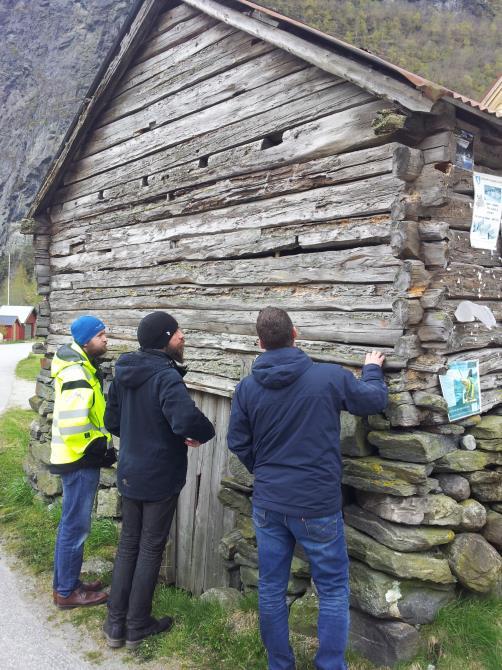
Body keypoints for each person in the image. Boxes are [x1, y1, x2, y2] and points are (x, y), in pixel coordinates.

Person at [227, 307, 388, 670]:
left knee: (270, 588)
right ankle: (330, 665)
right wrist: (374, 369)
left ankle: (280, 665)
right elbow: (373, 400)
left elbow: (237, 441)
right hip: (317, 504)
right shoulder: (329, 377)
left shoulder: (247, 388)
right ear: (295, 334)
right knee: (331, 589)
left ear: (260, 343)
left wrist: (263, 471)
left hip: (269, 504)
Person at [103, 311, 215, 649]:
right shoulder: (166, 376)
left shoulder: (125, 371)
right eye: (178, 331)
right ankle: (137, 626)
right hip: (158, 476)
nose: (183, 336)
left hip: (130, 472)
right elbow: (185, 419)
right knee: (150, 549)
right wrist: (201, 433)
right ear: (165, 338)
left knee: (128, 546)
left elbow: (113, 421)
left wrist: (141, 435)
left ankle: (114, 625)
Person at [50, 315, 116, 609]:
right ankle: (66, 592)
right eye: (101, 335)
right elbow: (72, 424)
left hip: (75, 458)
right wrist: (98, 448)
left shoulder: (82, 366)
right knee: (75, 528)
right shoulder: (77, 373)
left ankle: (69, 583)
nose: (105, 339)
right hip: (77, 460)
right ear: (86, 340)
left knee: (72, 526)